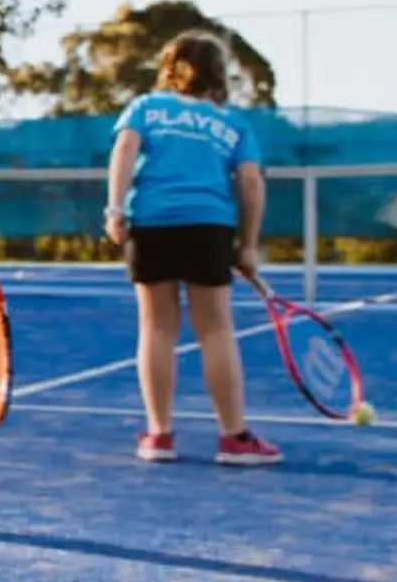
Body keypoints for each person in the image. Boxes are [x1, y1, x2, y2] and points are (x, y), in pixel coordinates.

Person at [105, 31, 276, 465]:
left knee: (157, 327)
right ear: (218, 74)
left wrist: (114, 209)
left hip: (152, 223)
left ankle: (158, 436)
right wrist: (249, 245)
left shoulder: (146, 108)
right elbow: (252, 183)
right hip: (209, 225)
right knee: (216, 329)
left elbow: (124, 150)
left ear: (170, 67)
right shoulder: (233, 124)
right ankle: (234, 438)